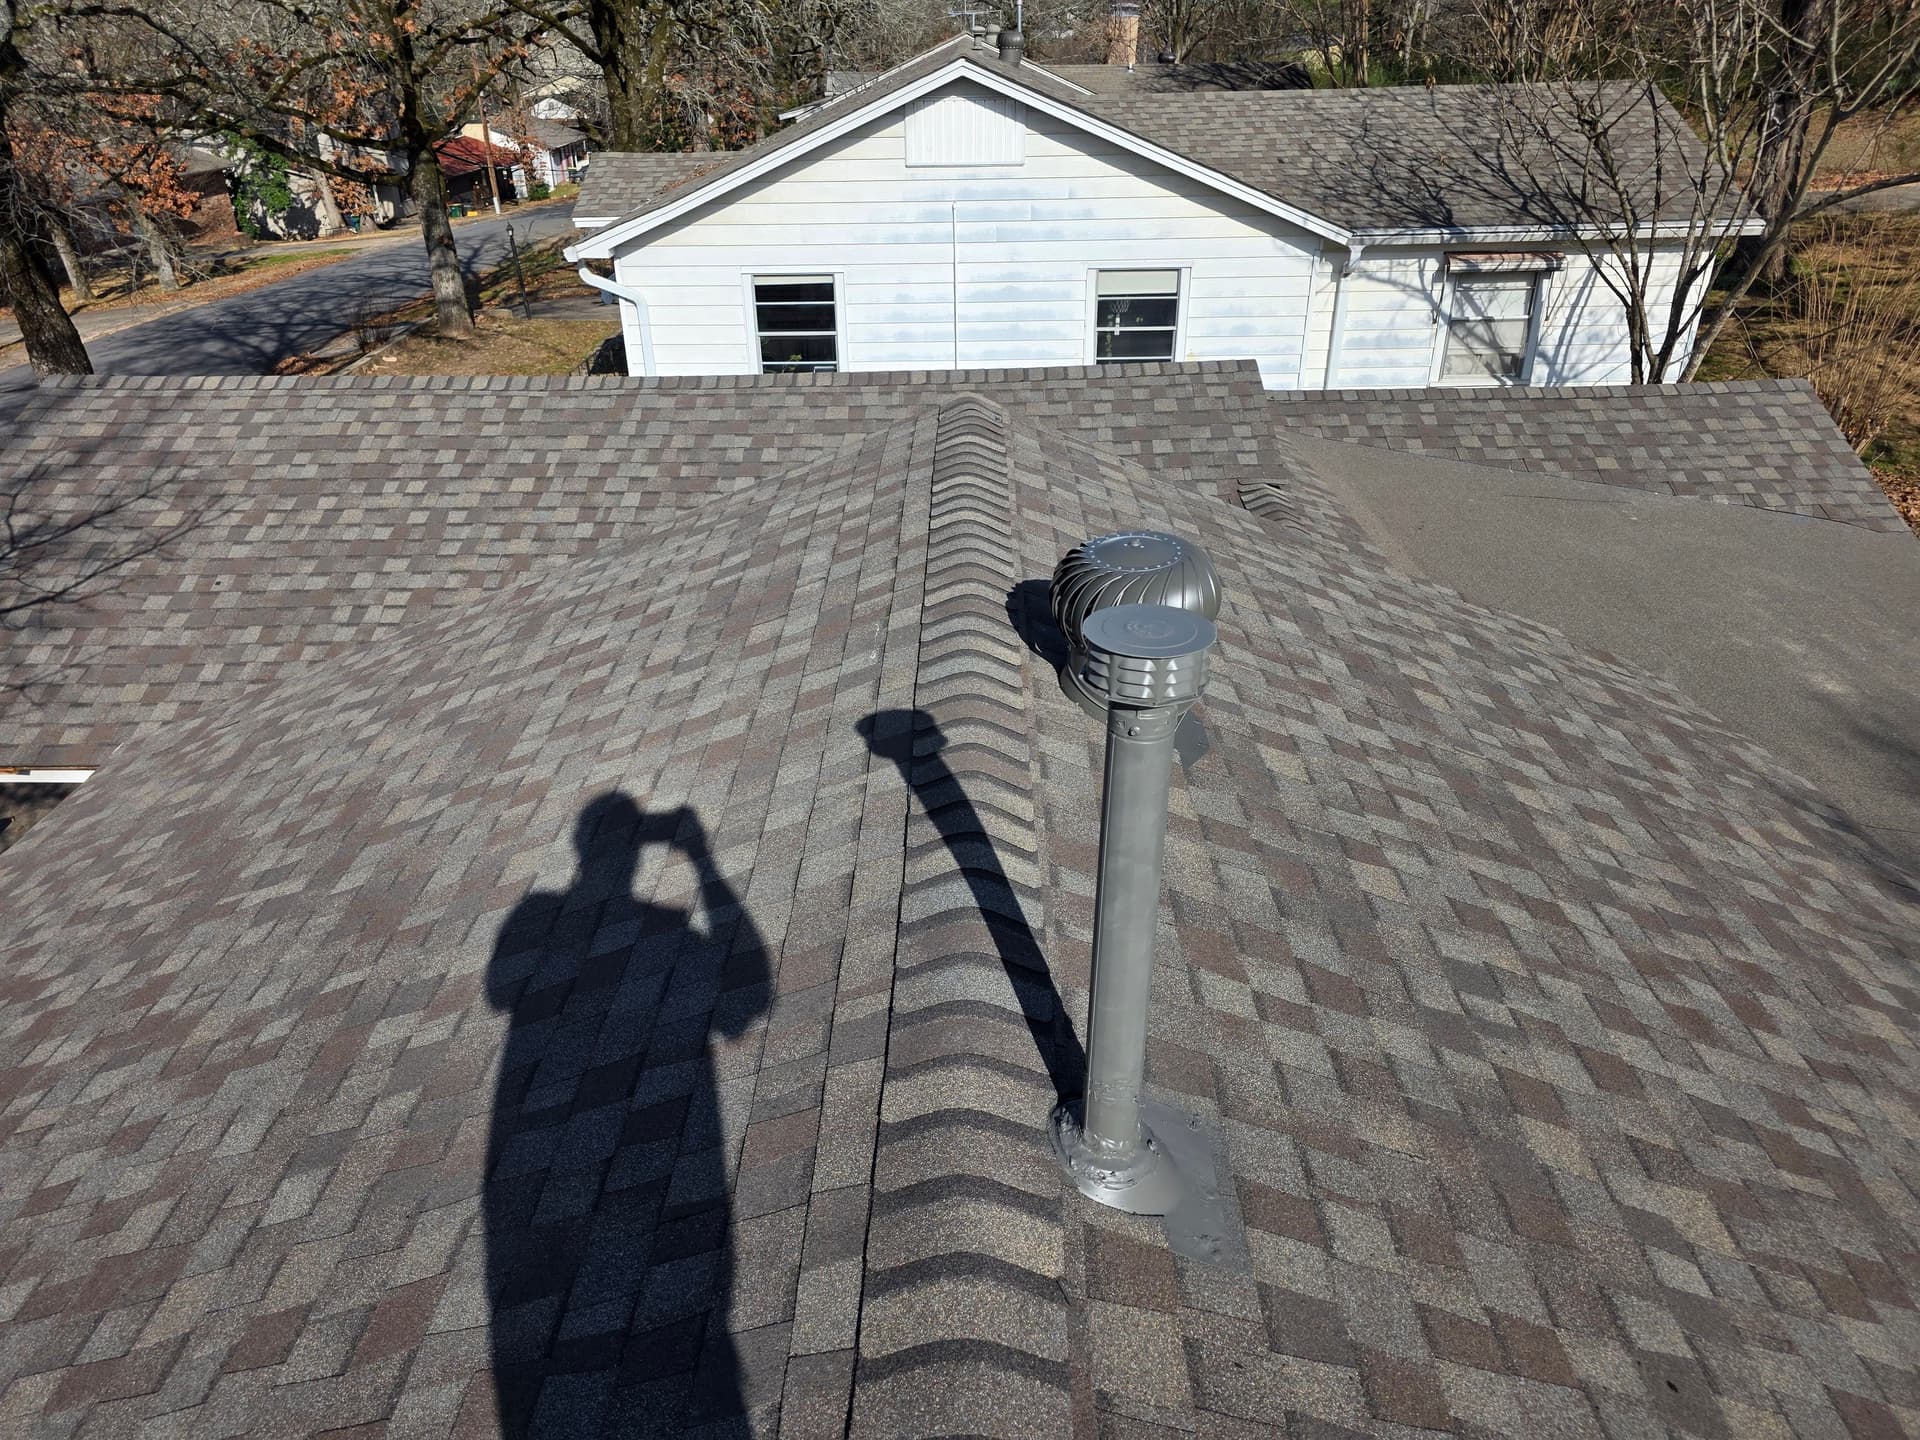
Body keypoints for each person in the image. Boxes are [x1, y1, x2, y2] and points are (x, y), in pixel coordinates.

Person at [484, 794, 769, 1436]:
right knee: (699, 1334)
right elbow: (745, 1003)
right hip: (675, 1145)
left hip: (529, 1156)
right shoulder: (664, 929)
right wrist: (703, 862)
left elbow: (502, 990)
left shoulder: (537, 915)